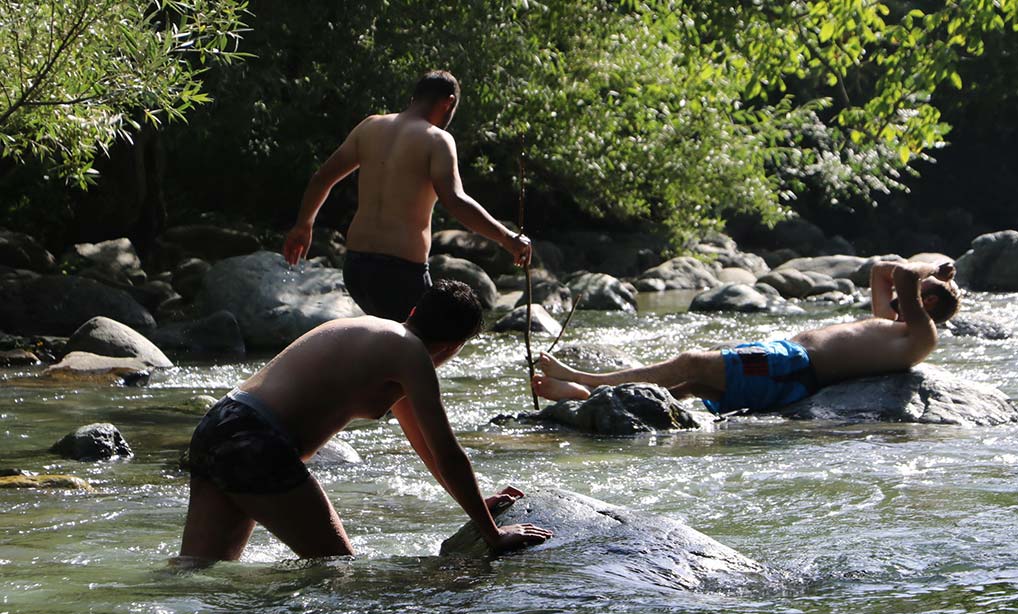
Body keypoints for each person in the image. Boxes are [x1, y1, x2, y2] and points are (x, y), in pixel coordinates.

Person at [179, 280, 552, 561]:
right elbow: (448, 452)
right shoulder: (411, 354)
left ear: (413, 313)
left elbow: (426, 448)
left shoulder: (382, 336)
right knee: (337, 571)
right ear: (454, 346)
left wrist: (474, 506)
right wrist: (494, 534)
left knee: (198, 572)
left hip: (219, 424)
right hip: (256, 442)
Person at [533, 260, 961, 414]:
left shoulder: (921, 335)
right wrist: (926, 282)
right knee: (690, 387)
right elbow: (879, 272)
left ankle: (588, 380)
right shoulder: (896, 325)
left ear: (931, 308)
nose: (906, 299)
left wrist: (933, 274)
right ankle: (586, 400)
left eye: (921, 298)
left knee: (690, 362)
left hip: (791, 365)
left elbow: (902, 273)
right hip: (786, 369)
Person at [282, 70, 532, 321]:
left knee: (390, 345)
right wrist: (507, 238)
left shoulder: (370, 126)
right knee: (426, 348)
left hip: (356, 267)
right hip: (400, 272)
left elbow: (322, 178)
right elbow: (454, 201)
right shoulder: (438, 140)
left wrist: (303, 225)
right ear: (449, 102)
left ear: (415, 97)